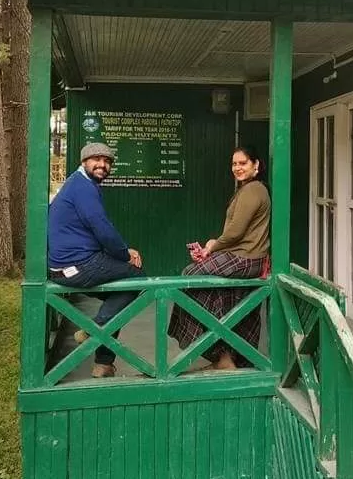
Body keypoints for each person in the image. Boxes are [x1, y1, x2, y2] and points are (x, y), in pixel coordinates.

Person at [168, 145, 271, 371]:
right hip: (244, 256)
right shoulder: (250, 190)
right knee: (220, 298)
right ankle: (225, 358)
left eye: (242, 163)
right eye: (234, 164)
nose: (237, 168)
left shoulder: (253, 190)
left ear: (256, 166)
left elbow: (235, 232)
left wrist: (212, 247)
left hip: (246, 258)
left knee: (189, 277)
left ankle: (212, 349)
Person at [47, 143, 145, 378]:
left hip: (73, 263)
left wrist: (121, 251)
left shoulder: (79, 184)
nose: (102, 164)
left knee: (117, 299)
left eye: (107, 161)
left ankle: (103, 363)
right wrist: (125, 254)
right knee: (136, 278)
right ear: (84, 162)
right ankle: (95, 330)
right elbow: (102, 228)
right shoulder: (82, 187)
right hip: (74, 266)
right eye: (96, 159)